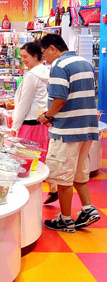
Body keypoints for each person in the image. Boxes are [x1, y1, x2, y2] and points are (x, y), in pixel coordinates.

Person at [38, 34, 100, 232]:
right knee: (79, 172)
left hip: (67, 129)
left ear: (52, 48)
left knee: (62, 177)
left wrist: (46, 116)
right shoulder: (85, 63)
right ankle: (87, 208)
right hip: (87, 127)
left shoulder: (59, 66)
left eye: (44, 54)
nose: (45, 59)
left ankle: (65, 220)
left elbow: (60, 99)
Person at [9, 42, 57, 203]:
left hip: (29, 123)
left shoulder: (32, 75)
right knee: (41, 158)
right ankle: (53, 188)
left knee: (27, 161)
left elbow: (24, 103)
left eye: (25, 57)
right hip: (42, 122)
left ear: (35, 56)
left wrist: (14, 126)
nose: (22, 60)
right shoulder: (46, 72)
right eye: (21, 56)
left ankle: (26, 199)